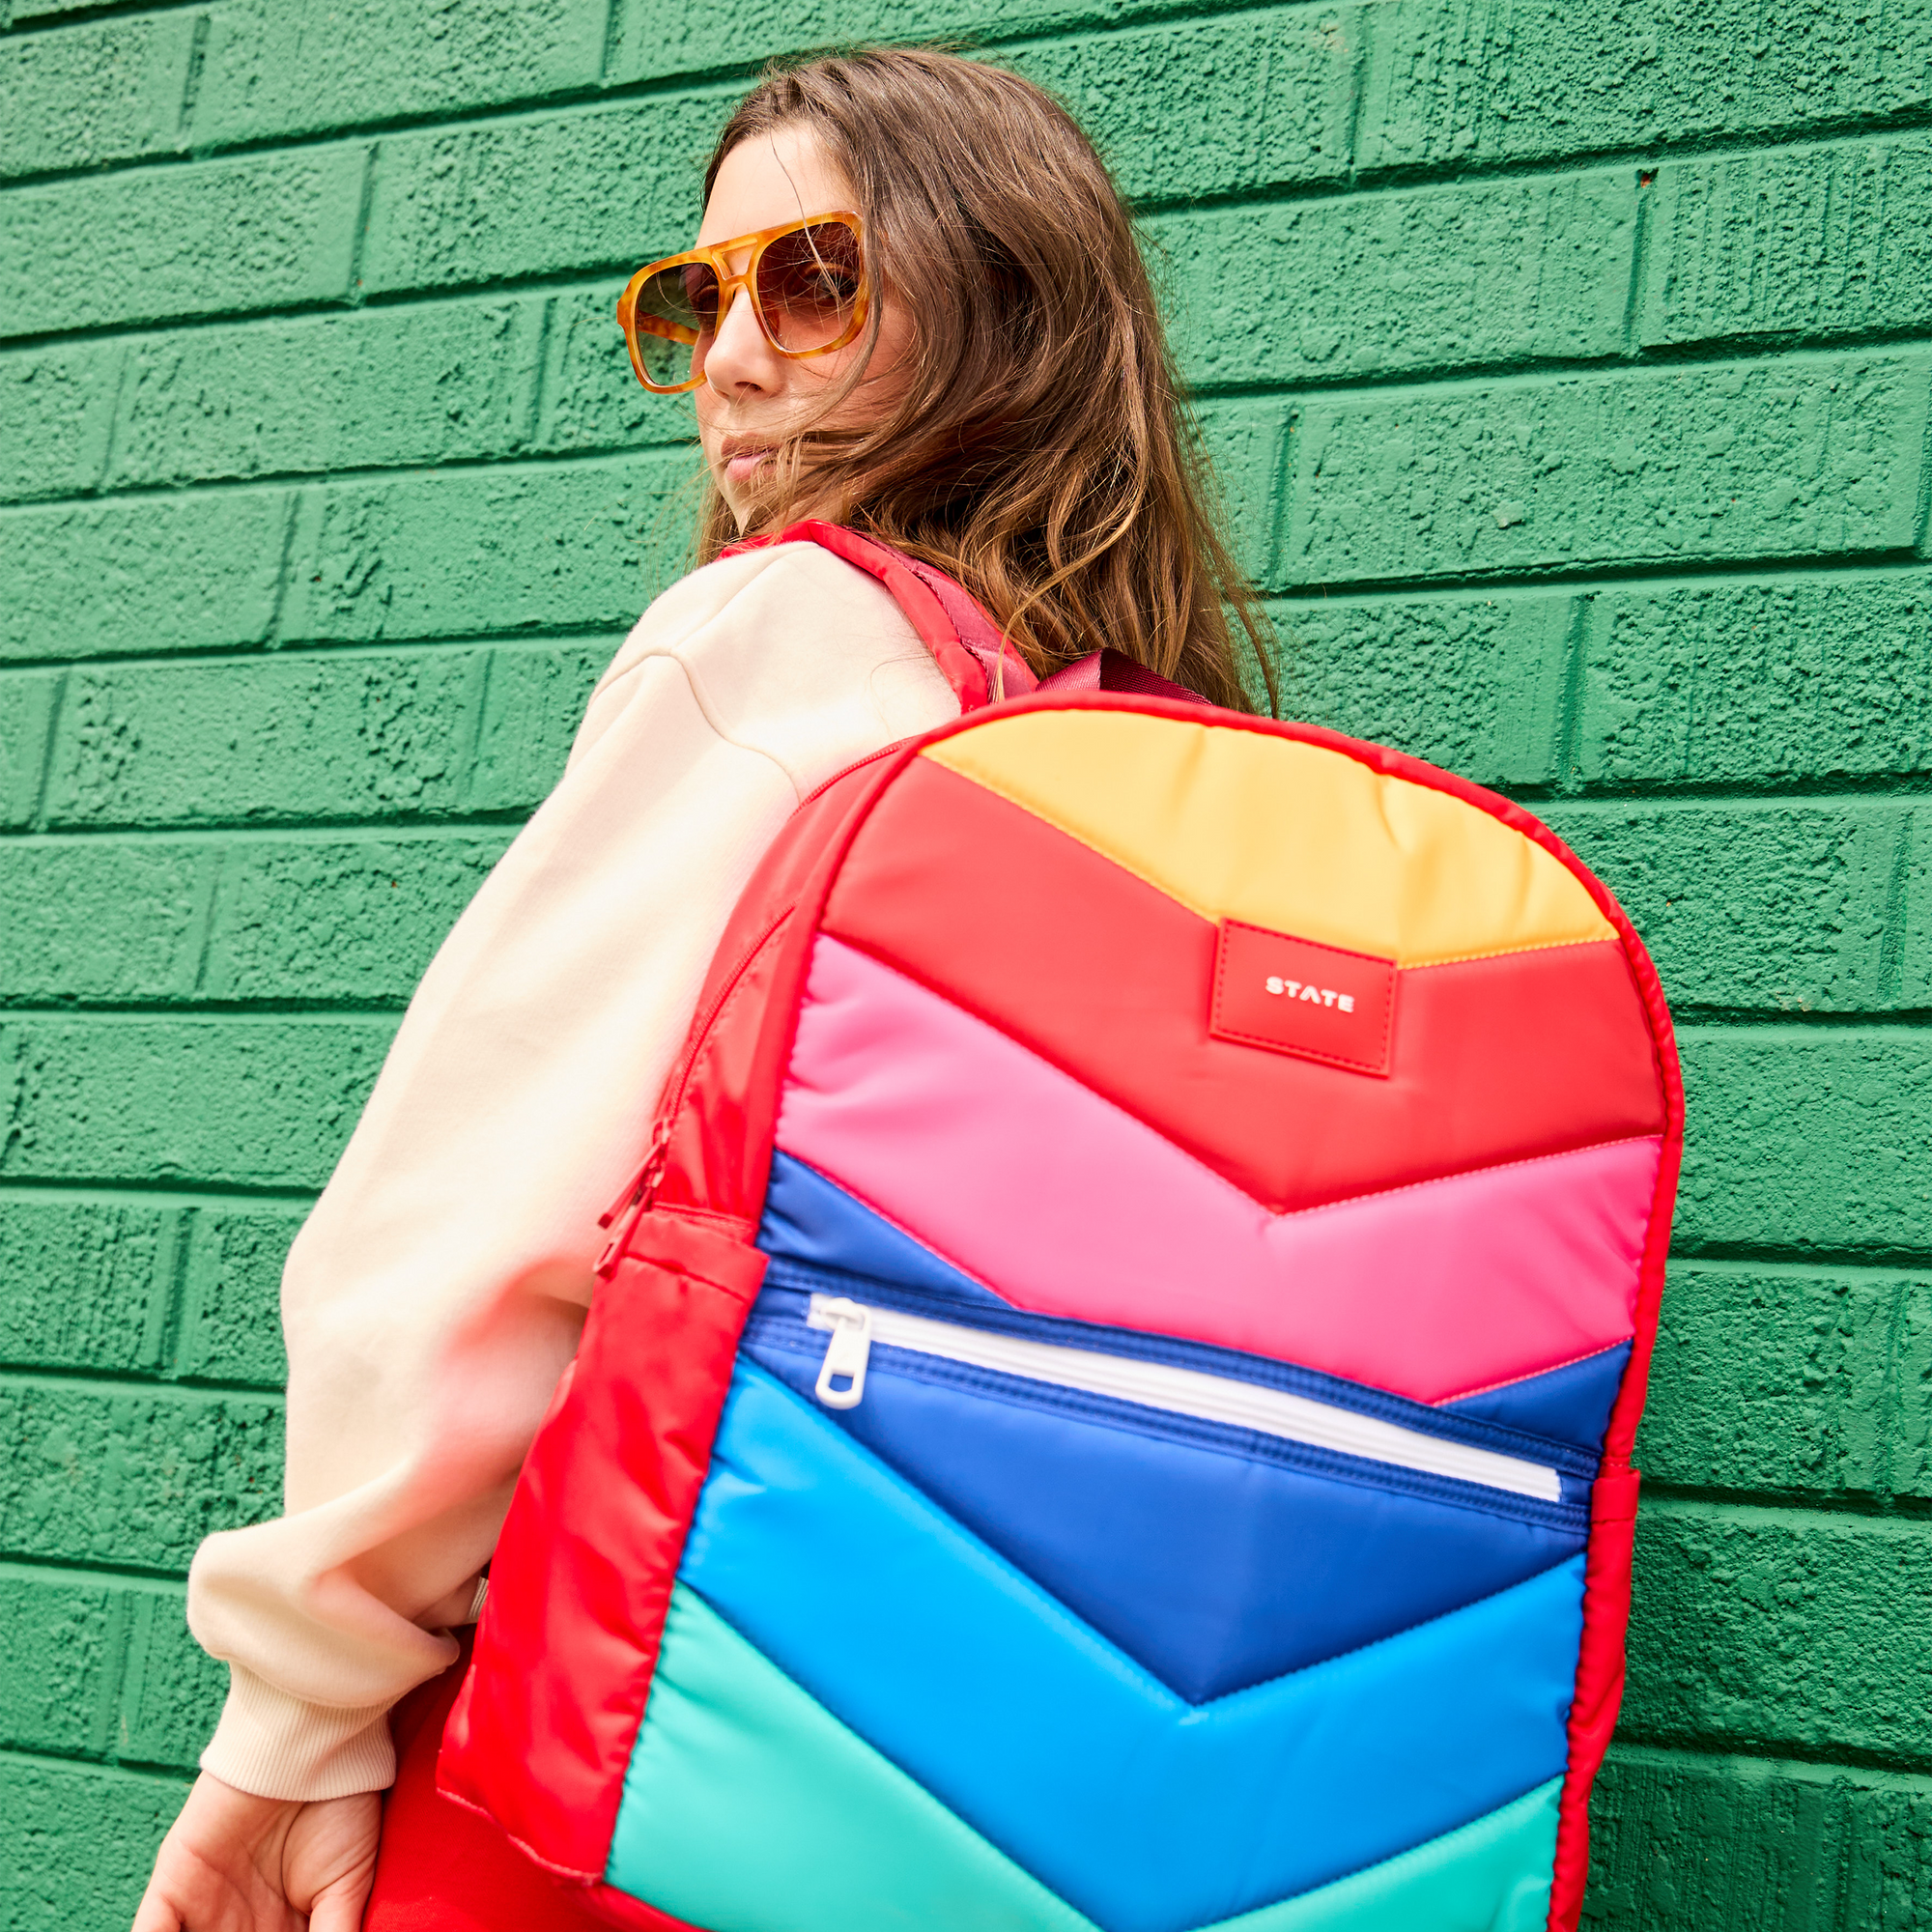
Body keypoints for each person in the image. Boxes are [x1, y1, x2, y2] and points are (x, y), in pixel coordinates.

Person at [131, 45, 1271, 1932]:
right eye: (697, 297)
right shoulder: (1177, 768)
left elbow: (464, 1255)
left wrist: (292, 1716)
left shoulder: (788, 637)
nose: (734, 359)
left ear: (998, 301)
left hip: (648, 1747)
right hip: (1007, 1784)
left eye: (812, 279)